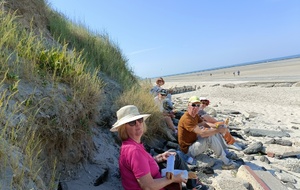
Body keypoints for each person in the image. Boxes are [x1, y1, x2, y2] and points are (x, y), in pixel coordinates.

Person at [110, 105, 203, 190]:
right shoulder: (134, 150)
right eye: (132, 122)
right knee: (177, 159)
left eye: (140, 120)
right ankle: (195, 185)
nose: (138, 124)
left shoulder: (131, 144)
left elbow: (141, 164)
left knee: (173, 154)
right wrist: (174, 178)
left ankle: (194, 184)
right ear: (123, 128)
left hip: (153, 178)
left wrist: (160, 157)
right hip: (154, 186)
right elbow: (148, 186)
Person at [177, 96, 240, 170]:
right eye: (193, 105)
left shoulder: (194, 115)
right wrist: (218, 130)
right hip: (187, 150)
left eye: (198, 105)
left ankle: (225, 152)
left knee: (213, 131)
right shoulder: (187, 119)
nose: (196, 107)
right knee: (209, 137)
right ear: (188, 105)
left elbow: (204, 124)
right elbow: (202, 133)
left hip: (194, 142)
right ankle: (227, 162)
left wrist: (218, 127)